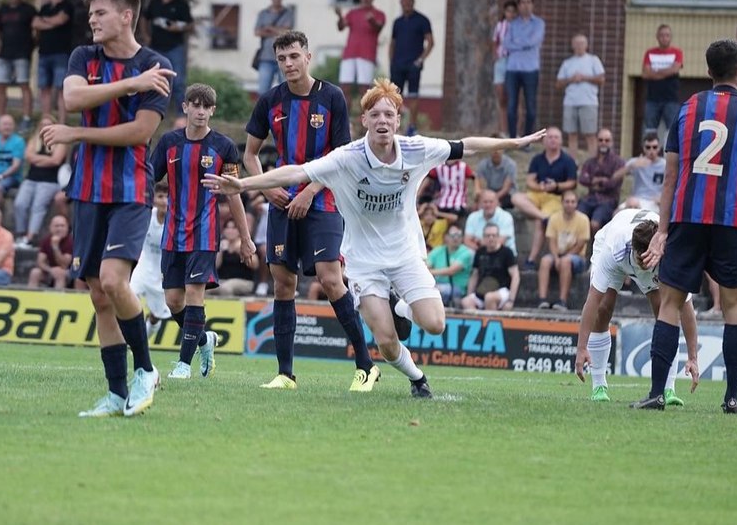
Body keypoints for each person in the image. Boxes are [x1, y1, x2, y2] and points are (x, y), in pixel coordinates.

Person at [207, 79, 545, 398]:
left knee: (436, 324)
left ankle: (402, 306)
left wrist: (512, 144)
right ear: (364, 120)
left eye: (389, 114)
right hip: (364, 263)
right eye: (376, 114)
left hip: (405, 256)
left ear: (398, 121)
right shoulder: (347, 158)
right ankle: (418, 378)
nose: (382, 120)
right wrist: (245, 184)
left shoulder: (416, 149)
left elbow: (466, 146)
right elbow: (297, 172)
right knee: (386, 342)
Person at [38, 0, 170, 418]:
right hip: (88, 191)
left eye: (100, 13)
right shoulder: (84, 57)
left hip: (131, 190)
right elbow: (73, 97)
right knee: (98, 295)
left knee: (114, 282)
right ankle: (116, 394)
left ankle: (146, 371)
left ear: (126, 16)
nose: (91, 20)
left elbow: (139, 133)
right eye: (90, 13)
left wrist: (75, 133)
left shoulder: (157, 64)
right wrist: (131, 84)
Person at [636, 39, 737, 414]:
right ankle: (732, 397)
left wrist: (663, 230)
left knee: (669, 303)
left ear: (708, 72)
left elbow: (669, 177)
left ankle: (656, 394)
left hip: (686, 217)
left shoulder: (687, 109)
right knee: (735, 308)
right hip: (732, 220)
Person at [240, 30, 379, 392]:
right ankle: (286, 374)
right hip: (282, 202)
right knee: (283, 283)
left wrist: (310, 190)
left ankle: (366, 366)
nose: (287, 64)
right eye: (281, 58)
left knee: (330, 279)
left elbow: (342, 157)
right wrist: (266, 186)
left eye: (293, 56)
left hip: (324, 198)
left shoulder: (331, 97)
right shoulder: (269, 100)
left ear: (308, 56)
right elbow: (250, 154)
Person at [152, 83, 256, 379]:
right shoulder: (169, 142)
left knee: (195, 293)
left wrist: (246, 238)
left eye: (206, 106)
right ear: (184, 107)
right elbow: (149, 177)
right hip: (172, 232)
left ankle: (183, 365)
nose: (200, 111)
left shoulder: (224, 147)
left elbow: (234, 193)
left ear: (213, 110)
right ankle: (204, 339)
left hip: (205, 233)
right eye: (194, 105)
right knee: (173, 300)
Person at [574, 208, 700, 404]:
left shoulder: (672, 252)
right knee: (603, 308)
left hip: (658, 256)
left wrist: (693, 357)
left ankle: (668, 389)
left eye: (648, 259)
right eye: (642, 259)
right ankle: (598, 385)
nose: (645, 264)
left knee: (666, 311)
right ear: (634, 248)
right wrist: (581, 348)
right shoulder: (613, 248)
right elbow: (592, 299)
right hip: (617, 258)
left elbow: (686, 306)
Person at [510, 126, 577, 269]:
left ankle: (531, 259)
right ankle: (542, 216)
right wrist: (540, 187)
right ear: (544, 141)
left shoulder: (567, 160)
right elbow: (529, 180)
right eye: (549, 137)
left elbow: (572, 183)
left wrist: (556, 186)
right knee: (516, 197)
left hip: (556, 197)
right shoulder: (537, 159)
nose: (552, 140)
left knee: (539, 223)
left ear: (561, 141)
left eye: (556, 137)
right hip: (538, 194)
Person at [13, 115, 67, 248]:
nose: (45, 127)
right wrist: (45, 160)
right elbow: (28, 156)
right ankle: (21, 234)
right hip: (31, 179)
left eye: (48, 124)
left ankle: (30, 238)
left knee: (38, 206)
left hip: (50, 181)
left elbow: (56, 161)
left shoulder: (60, 142)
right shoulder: (34, 140)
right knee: (19, 203)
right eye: (43, 124)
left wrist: (37, 159)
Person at [141, 0, 192, 115]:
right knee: (153, 80)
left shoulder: (181, 4)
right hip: (156, 48)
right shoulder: (154, 3)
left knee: (178, 82)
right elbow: (144, 18)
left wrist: (179, 28)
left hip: (175, 47)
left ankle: (182, 114)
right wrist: (146, 36)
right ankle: (151, 111)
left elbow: (190, 25)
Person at [388, 0, 434, 132]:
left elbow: (430, 42)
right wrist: (391, 62)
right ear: (400, 3)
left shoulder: (422, 20)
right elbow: (392, 43)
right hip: (398, 65)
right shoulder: (397, 22)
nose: (406, 3)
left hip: (413, 65)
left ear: (413, 1)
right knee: (395, 98)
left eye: (409, 0)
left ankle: (412, 127)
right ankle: (396, 126)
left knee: (413, 95)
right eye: (404, 0)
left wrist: (420, 60)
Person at [537, 191, 590, 310]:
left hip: (577, 257)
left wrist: (564, 258)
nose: (570, 204)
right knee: (545, 261)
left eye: (572, 202)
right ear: (562, 203)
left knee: (566, 262)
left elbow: (581, 244)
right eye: (567, 202)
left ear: (576, 204)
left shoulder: (583, 219)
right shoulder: (554, 218)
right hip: (558, 254)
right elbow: (551, 241)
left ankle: (562, 301)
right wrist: (556, 258)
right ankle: (542, 299)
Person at [0, 0, 37, 129]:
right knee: (0, 85)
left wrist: (31, 45)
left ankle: (26, 118)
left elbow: (36, 30)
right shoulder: (3, 9)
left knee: (24, 85)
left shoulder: (29, 10)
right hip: (4, 52)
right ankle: (0, 117)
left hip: (22, 53)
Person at [503, 0, 545, 138]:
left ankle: (527, 138)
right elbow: (507, 43)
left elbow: (534, 41)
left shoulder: (539, 23)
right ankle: (513, 138)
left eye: (528, 2)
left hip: (530, 69)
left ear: (532, 5)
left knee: (531, 107)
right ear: (519, 6)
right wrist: (524, 43)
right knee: (511, 106)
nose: (526, 5)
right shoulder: (512, 24)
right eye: (523, 3)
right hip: (513, 69)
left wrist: (518, 42)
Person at [334, 0, 386, 103]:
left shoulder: (379, 14)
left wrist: (372, 20)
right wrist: (339, 16)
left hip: (367, 54)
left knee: (364, 89)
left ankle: (365, 119)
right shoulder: (353, 13)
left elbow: (379, 27)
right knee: (344, 87)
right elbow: (341, 26)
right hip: (350, 53)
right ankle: (345, 119)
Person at [32, 0, 75, 123]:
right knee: (44, 88)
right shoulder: (44, 8)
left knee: (61, 88)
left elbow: (61, 20)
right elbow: (35, 23)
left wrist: (46, 22)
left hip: (61, 53)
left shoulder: (66, 6)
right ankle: (46, 120)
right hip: (44, 52)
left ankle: (62, 121)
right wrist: (51, 22)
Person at [555, 34, 605, 156]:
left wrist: (584, 78)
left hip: (589, 102)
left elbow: (601, 80)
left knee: (590, 134)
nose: (579, 46)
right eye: (576, 44)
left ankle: (592, 163)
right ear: (572, 46)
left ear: (586, 45)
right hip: (570, 102)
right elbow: (558, 84)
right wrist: (571, 79)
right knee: (572, 134)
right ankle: (572, 163)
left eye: (582, 43)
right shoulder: (567, 63)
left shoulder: (593, 60)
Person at [132, 184, 172, 336]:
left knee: (157, 316)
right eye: (161, 196)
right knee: (128, 296)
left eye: (168, 197)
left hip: (162, 274)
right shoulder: (146, 215)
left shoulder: (176, 221)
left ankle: (143, 339)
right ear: (154, 199)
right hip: (141, 268)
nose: (165, 201)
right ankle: (132, 339)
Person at [460, 223, 520, 311]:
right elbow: (474, 275)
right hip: (482, 290)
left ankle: (492, 323)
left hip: (502, 290)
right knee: (466, 301)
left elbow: (515, 276)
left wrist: (511, 300)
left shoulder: (507, 252)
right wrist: (469, 294)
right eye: (488, 236)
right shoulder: (480, 252)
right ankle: (478, 322)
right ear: (483, 237)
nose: (491, 238)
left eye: (494, 235)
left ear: (498, 237)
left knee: (489, 297)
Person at [576, 128, 624, 235]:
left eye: (607, 140)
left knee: (594, 223)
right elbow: (583, 179)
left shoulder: (618, 162)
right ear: (597, 142)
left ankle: (595, 250)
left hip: (608, 201)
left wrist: (597, 181)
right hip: (590, 199)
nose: (603, 143)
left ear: (611, 142)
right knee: (577, 218)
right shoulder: (590, 161)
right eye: (601, 140)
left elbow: (613, 183)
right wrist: (601, 180)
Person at [641, 24, 683, 143]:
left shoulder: (677, 52)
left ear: (670, 37)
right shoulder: (650, 53)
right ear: (657, 37)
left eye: (667, 35)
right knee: (649, 130)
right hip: (652, 98)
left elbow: (675, 69)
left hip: (671, 99)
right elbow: (645, 74)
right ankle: (649, 155)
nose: (664, 38)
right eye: (662, 35)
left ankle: (668, 158)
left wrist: (655, 72)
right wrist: (667, 72)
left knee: (671, 131)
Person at [253, 0, 295, 94]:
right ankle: (265, 112)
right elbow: (257, 32)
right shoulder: (263, 13)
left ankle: (284, 112)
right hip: (265, 57)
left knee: (287, 92)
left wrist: (269, 28)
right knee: (263, 92)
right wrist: (278, 31)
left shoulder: (288, 13)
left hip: (284, 58)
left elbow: (287, 32)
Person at [614, 132, 666, 210]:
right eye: (648, 147)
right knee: (617, 213)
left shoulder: (664, 164)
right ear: (643, 148)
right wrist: (631, 166)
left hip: (655, 201)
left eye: (654, 147)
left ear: (659, 148)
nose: (651, 150)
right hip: (637, 199)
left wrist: (663, 198)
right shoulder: (636, 161)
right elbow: (615, 176)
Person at [427, 226, 474, 307]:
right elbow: (425, 265)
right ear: (446, 237)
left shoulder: (466, 253)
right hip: (437, 284)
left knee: (435, 291)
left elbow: (451, 271)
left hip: (457, 288)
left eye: (459, 235)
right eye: (452, 235)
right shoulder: (438, 250)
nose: (456, 238)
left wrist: (429, 272)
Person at [213, 218, 259, 296]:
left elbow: (255, 265)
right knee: (206, 287)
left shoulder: (245, 244)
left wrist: (239, 251)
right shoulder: (221, 244)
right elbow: (216, 266)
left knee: (226, 288)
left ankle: (228, 308)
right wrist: (220, 251)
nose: (230, 231)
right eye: (227, 228)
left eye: (234, 228)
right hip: (223, 280)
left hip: (244, 281)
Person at [463, 189, 516, 254]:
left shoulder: (506, 217)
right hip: (479, 252)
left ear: (497, 203)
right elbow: (467, 241)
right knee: (468, 252)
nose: (488, 205)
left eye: (491, 202)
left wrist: (479, 241)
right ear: (480, 203)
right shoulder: (473, 217)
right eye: (485, 202)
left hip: (502, 254)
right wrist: (480, 251)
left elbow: (499, 242)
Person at [492, 0, 517, 135]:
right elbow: (495, 42)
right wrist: (495, 55)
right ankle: (503, 129)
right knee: (502, 97)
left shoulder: (519, 27)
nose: (511, 14)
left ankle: (515, 130)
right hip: (502, 61)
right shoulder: (500, 26)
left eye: (513, 11)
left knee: (514, 96)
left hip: (514, 62)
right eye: (508, 11)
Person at [28, 214, 72, 289]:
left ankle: (57, 299)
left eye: (62, 226)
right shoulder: (46, 240)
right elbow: (40, 262)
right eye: (56, 226)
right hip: (51, 270)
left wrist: (55, 247)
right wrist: (50, 270)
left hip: (69, 272)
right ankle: (32, 298)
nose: (59, 229)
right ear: (50, 228)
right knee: (35, 272)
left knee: (60, 274)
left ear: (67, 228)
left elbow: (64, 265)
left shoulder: (71, 241)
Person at [473, 140, 517, 209]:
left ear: (503, 149)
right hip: (489, 192)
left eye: (499, 148)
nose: (496, 151)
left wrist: (492, 200)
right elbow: (482, 185)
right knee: (477, 206)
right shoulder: (483, 164)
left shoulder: (510, 164)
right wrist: (485, 197)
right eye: (493, 148)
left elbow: (506, 188)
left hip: (506, 194)